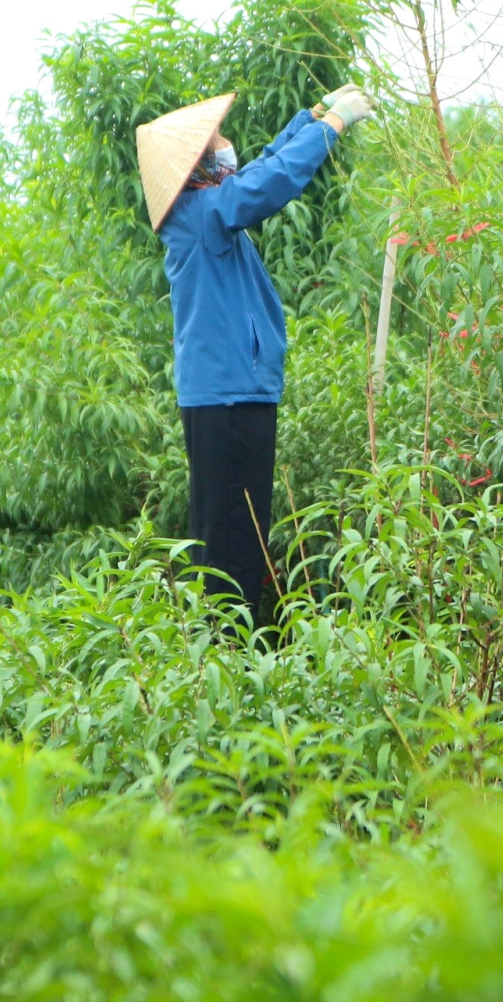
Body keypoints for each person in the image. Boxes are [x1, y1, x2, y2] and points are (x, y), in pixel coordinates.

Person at [134, 84, 374, 623]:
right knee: (232, 545)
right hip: (228, 399)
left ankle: (222, 660)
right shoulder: (202, 215)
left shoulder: (205, 208)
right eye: (217, 140)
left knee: (233, 536)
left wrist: (309, 118)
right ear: (197, 164)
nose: (227, 144)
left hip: (229, 396)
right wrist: (331, 127)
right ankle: (226, 661)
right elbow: (269, 183)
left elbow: (263, 166)